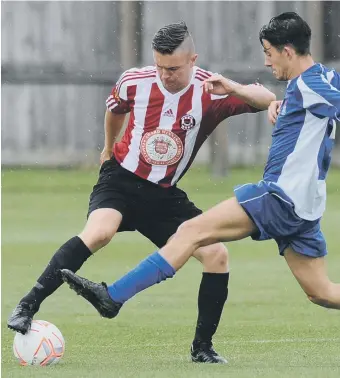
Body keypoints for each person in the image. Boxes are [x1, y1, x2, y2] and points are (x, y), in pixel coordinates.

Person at [60, 11, 340, 349]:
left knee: (190, 232)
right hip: (306, 206)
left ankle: (113, 297)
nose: (266, 63)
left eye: (268, 53)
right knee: (322, 293)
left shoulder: (313, 85)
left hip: (280, 196)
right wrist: (269, 101)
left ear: (287, 51)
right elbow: (310, 108)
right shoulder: (320, 80)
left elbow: (322, 98)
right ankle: (118, 300)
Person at [8, 21, 275, 363]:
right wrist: (108, 148)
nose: (165, 75)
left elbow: (267, 98)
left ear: (193, 59)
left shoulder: (211, 90)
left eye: (174, 69)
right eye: (160, 67)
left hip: (164, 196)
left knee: (217, 255)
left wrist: (233, 87)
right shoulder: (135, 80)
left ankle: (202, 349)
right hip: (120, 180)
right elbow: (114, 110)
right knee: (99, 232)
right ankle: (27, 306)